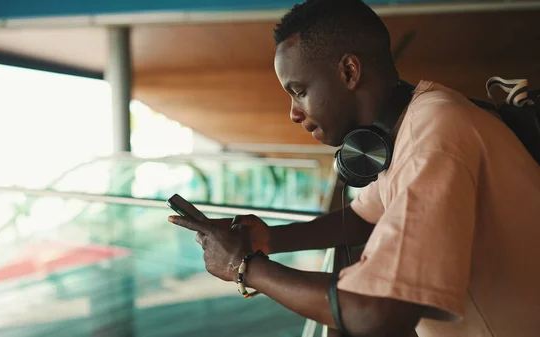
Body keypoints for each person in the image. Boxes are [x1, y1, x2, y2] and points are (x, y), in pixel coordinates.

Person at [168, 0, 540, 336]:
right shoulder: (412, 123)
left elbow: (377, 313)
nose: (294, 113)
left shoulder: (437, 133)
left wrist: (244, 266)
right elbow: (365, 215)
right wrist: (271, 239)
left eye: (298, 91)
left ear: (348, 72)